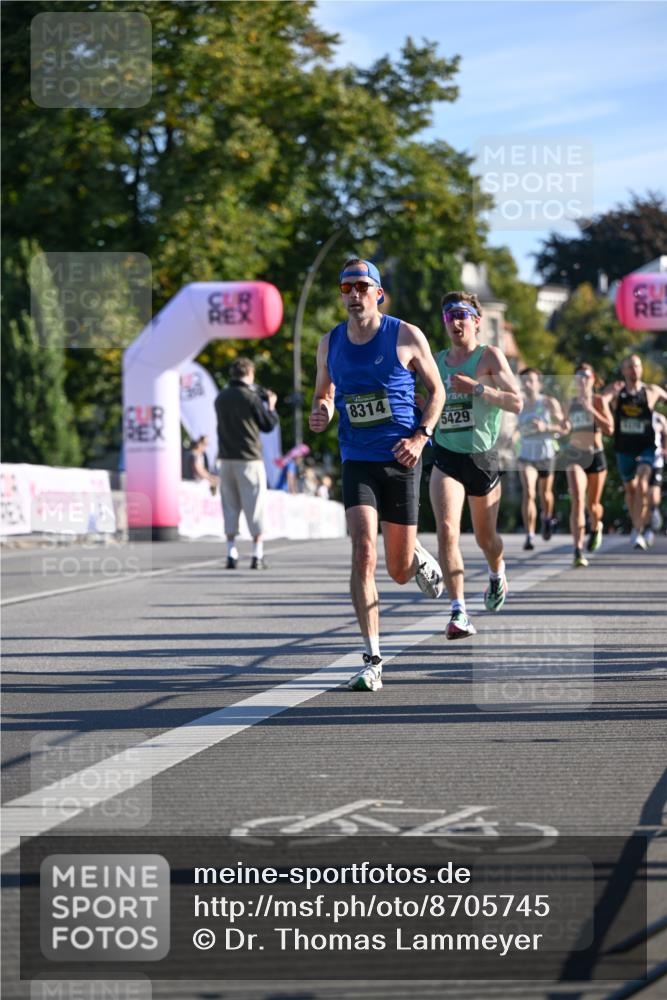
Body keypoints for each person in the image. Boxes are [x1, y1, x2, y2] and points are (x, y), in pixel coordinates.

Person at [308, 257, 445, 692]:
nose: (353, 295)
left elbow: (437, 391)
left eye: (362, 287)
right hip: (357, 457)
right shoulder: (329, 343)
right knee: (363, 550)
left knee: (399, 570)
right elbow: (323, 393)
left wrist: (422, 437)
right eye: (346, 288)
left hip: (402, 456)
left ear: (378, 293)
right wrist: (323, 411)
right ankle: (372, 659)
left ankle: (415, 556)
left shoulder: (405, 335)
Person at [429, 291, 522, 640]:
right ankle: (458, 611)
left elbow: (516, 402)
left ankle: (497, 573)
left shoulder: (489, 357)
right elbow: (423, 399)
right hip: (447, 455)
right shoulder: (436, 361)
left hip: (482, 457)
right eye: (449, 315)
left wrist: (478, 388)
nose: (455, 321)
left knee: (486, 539)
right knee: (447, 530)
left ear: (476, 321)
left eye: (462, 315)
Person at [215, 357, 279, 569]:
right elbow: (268, 425)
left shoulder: (221, 398)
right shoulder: (250, 397)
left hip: (225, 459)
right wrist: (270, 406)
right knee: (255, 506)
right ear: (249, 374)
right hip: (249, 459)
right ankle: (257, 555)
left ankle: (231, 552)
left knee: (230, 505)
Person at [602, 354, 667, 550]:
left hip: (646, 447)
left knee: (641, 483)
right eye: (629, 367)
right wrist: (608, 415)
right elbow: (600, 402)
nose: (634, 370)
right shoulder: (617, 391)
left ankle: (639, 530)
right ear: (623, 371)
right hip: (624, 449)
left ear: (642, 369)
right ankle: (640, 524)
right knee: (631, 493)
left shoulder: (651, 391)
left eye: (637, 366)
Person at [562, 364, 614, 567]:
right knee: (576, 499)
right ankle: (577, 550)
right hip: (576, 455)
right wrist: (561, 426)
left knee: (593, 506)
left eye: (586, 375)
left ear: (593, 379)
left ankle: (596, 526)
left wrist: (590, 408)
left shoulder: (599, 401)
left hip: (596, 455)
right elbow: (564, 425)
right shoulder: (569, 402)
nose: (582, 379)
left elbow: (610, 428)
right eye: (578, 376)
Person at [516, 368, 565, 550]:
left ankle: (547, 516)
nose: (527, 384)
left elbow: (563, 427)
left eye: (531, 380)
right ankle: (529, 535)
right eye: (524, 381)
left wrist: (546, 427)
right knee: (529, 491)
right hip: (526, 455)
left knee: (545, 494)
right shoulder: (518, 403)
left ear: (539, 383)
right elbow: (515, 427)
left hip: (546, 454)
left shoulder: (548, 402)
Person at [649, 411, 667, 532]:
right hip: (638, 459)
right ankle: (642, 525)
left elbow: (666, 434)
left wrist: (665, 449)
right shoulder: (633, 414)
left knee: (655, 489)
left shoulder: (659, 418)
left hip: (656, 460)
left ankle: (654, 509)